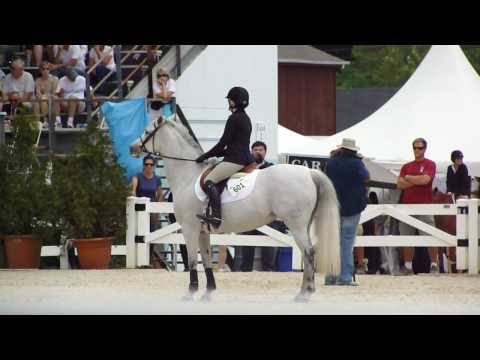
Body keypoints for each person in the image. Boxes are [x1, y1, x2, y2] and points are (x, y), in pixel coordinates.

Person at [195, 86, 255, 229]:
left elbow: (223, 143)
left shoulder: (233, 118)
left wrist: (204, 156)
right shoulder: (246, 118)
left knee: (209, 180)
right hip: (243, 157)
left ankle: (216, 216)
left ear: (234, 102)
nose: (228, 102)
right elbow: (236, 144)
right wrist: (217, 153)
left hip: (235, 160)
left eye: (229, 100)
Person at [325, 138, 370, 286]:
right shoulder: (357, 163)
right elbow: (366, 179)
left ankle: (330, 276)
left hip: (333, 206)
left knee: (333, 242)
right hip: (352, 207)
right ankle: (344, 277)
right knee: (347, 242)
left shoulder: (331, 163)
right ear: (354, 150)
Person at [239, 141, 286, 272]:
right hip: (248, 213)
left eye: (260, 149)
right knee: (247, 245)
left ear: (265, 152)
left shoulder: (272, 169)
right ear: (251, 152)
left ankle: (268, 270)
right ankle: (245, 271)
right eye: (255, 149)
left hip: (267, 213)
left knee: (269, 244)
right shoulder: (245, 168)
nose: (258, 152)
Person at [397, 137, 436, 275]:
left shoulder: (430, 164)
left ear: (425, 149)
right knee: (407, 237)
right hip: (407, 206)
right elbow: (399, 184)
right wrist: (416, 179)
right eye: (415, 147)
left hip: (425, 206)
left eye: (420, 148)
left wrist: (408, 178)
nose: (417, 150)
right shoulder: (406, 166)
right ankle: (408, 267)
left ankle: (434, 265)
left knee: (430, 236)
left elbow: (425, 180)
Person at [131, 155, 165, 268]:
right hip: (140, 210)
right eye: (147, 164)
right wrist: (136, 200)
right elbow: (133, 190)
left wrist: (157, 207)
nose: (149, 166)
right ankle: (138, 260)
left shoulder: (157, 179)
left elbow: (161, 194)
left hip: (152, 210)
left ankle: (149, 259)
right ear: (143, 165)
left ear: (154, 166)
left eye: (151, 164)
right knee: (138, 233)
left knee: (151, 234)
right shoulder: (137, 176)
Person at [34, 61, 60, 128]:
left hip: (52, 99)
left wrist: (44, 95)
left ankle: (47, 121)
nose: (45, 70)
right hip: (43, 98)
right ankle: (39, 121)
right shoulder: (38, 80)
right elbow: (38, 92)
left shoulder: (54, 79)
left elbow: (54, 92)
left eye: (47, 68)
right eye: (43, 69)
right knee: (38, 100)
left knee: (44, 98)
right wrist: (42, 95)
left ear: (50, 69)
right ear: (40, 70)